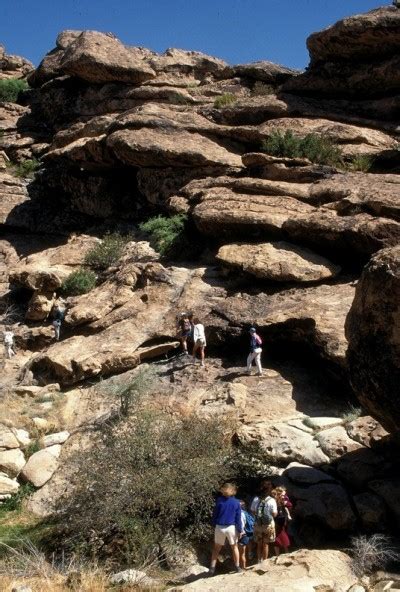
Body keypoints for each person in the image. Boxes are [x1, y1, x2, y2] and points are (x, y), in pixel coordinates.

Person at [210, 483, 244, 576]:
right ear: (233, 491)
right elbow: (238, 517)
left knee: (216, 548)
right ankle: (237, 567)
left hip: (220, 527)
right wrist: (240, 530)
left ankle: (212, 569)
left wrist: (213, 524)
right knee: (234, 547)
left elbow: (215, 514)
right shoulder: (237, 502)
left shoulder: (219, 500)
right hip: (231, 527)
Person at [252, 480, 277, 562]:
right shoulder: (272, 500)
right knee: (266, 544)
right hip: (268, 525)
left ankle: (259, 560)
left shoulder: (256, 499)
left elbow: (253, 511)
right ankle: (265, 561)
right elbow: (274, 514)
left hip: (258, 524)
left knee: (259, 544)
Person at [271, 487, 292, 555]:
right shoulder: (275, 500)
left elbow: (288, 505)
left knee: (279, 535)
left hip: (280, 520)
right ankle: (283, 553)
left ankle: (284, 552)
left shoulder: (282, 499)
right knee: (277, 536)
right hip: (276, 520)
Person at [238, 500, 255, 569]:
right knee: (243, 553)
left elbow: (241, 525)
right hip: (248, 533)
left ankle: (242, 568)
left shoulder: (240, 514)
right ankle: (250, 553)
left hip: (242, 534)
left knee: (241, 553)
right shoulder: (247, 513)